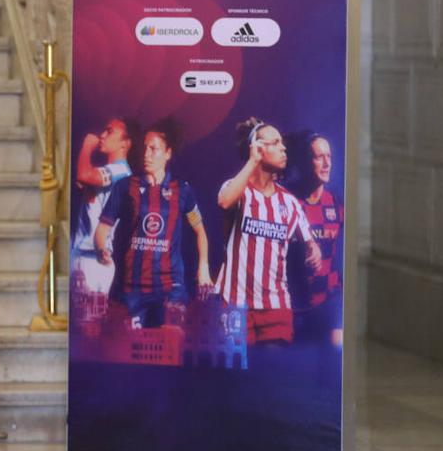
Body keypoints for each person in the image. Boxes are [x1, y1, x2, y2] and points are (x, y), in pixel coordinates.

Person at [95, 119, 212, 329]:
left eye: (154, 149)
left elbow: (200, 232)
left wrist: (203, 268)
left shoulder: (182, 190)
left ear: (168, 153)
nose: (146, 154)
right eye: (145, 148)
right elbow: (103, 228)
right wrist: (101, 248)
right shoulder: (125, 186)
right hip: (132, 289)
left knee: (170, 348)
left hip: (171, 289)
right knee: (127, 351)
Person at [215, 118, 322, 346]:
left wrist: (313, 249)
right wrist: (253, 161)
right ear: (258, 149)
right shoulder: (238, 190)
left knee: (271, 374)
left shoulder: (289, 202)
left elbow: (309, 238)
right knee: (236, 378)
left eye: (282, 143)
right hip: (235, 304)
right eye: (275, 143)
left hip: (275, 307)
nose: (283, 148)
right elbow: (224, 201)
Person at [287, 133, 344, 347]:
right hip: (292, 304)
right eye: (319, 157)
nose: (327, 163)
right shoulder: (287, 199)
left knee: (336, 353)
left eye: (329, 156)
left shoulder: (336, 201)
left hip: (329, 301)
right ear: (304, 161)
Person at [71, 118, 136, 297]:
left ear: (125, 143)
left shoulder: (121, 172)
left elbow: (84, 174)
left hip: (95, 258)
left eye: (109, 131)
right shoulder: (112, 170)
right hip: (83, 254)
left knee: (88, 318)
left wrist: (86, 146)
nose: (102, 135)